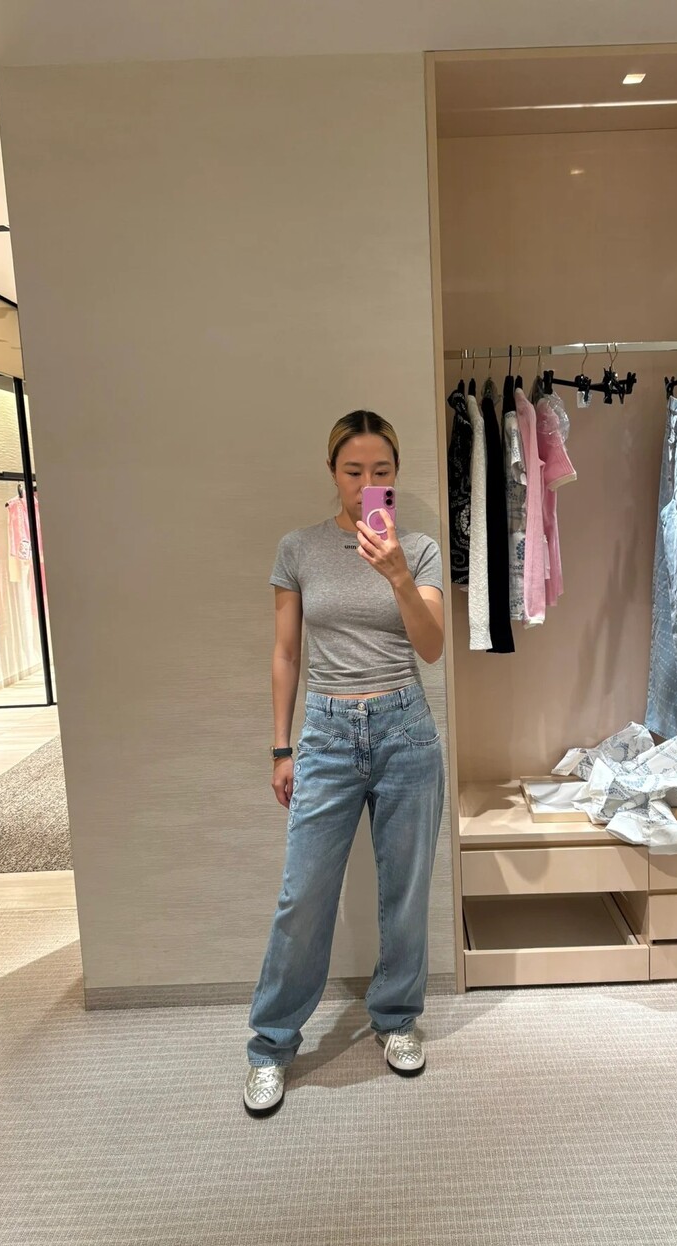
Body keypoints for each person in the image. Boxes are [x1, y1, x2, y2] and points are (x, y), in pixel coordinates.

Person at [244, 409, 446, 1117]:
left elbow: (431, 647)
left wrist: (397, 575)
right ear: (333, 472)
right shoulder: (298, 548)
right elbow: (285, 653)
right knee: (303, 896)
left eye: (381, 471)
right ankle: (271, 1044)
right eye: (354, 470)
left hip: (405, 730)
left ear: (396, 475)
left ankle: (397, 1017)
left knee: (405, 892)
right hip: (327, 734)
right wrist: (281, 746)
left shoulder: (418, 549)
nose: (367, 482)